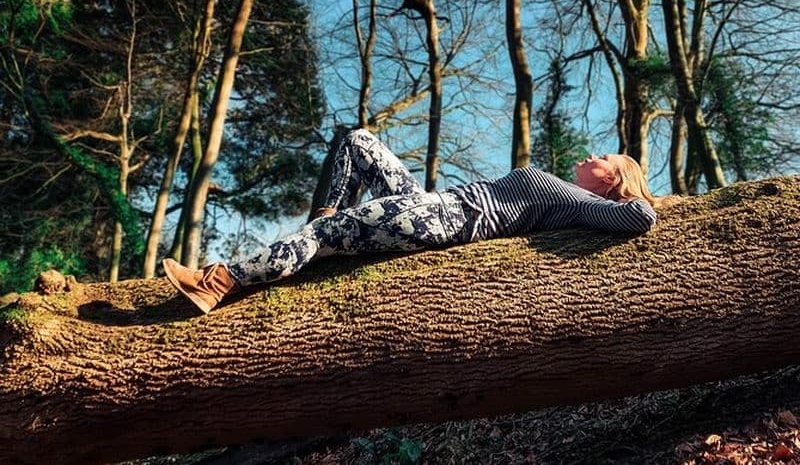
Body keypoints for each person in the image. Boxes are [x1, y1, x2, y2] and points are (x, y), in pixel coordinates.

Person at [163, 129, 657, 314]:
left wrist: (643, 202)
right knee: (358, 142)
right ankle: (331, 220)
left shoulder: (575, 199)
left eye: (605, 156)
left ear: (612, 179)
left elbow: (640, 216)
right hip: (431, 205)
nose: (593, 153)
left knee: (320, 237)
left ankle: (220, 280)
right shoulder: (567, 192)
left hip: (445, 220)